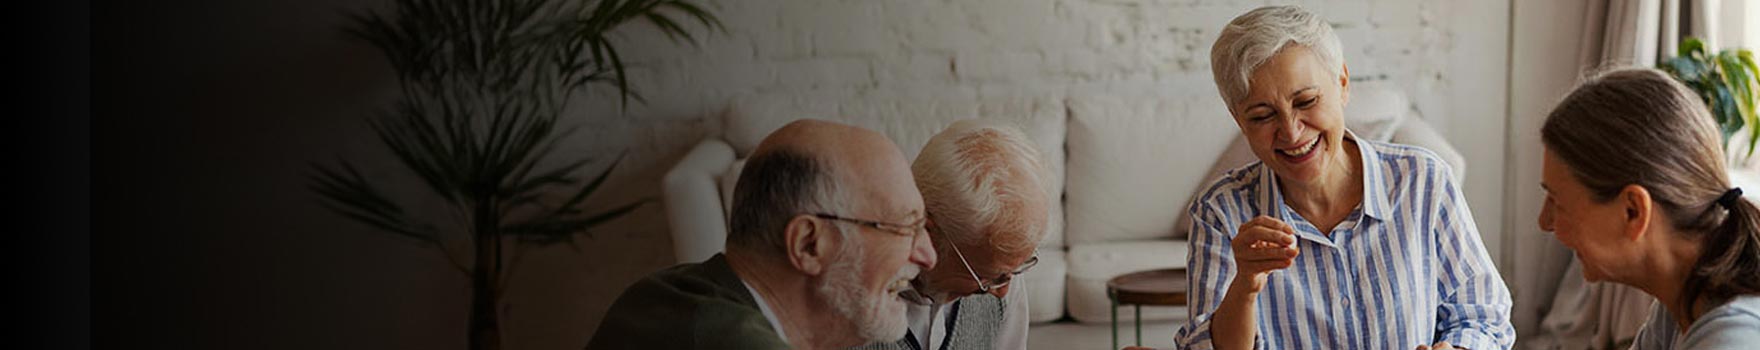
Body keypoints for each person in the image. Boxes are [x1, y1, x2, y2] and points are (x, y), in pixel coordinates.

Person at [1172, 5, 1513, 350]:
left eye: (1306, 101)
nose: (1291, 133)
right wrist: (1244, 286)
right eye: (1262, 116)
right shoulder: (1219, 211)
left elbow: (1483, 315)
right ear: (1238, 120)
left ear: (1343, 84)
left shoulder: (1423, 181)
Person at [588, 119, 939, 350]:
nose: (928, 255)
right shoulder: (726, 339)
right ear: (808, 244)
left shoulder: (666, 292)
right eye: (904, 227)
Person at [1537, 67, 1760, 349]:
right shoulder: (1681, 302)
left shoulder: (1733, 340)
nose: (1545, 221)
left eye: (1557, 202)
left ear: (1633, 211)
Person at [854, 119, 1049, 350]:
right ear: (928, 233)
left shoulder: (1001, 271)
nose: (1002, 291)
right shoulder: (844, 286)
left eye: (1012, 272)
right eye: (986, 277)